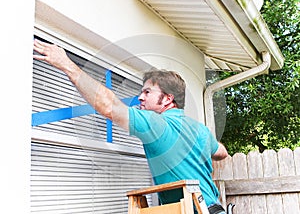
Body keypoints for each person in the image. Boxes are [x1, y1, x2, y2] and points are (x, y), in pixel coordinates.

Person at [33, 39, 228, 214]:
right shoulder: (200, 130)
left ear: (168, 98)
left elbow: (109, 105)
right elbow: (221, 152)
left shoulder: (156, 123)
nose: (141, 97)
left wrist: (66, 64)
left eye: (147, 92)